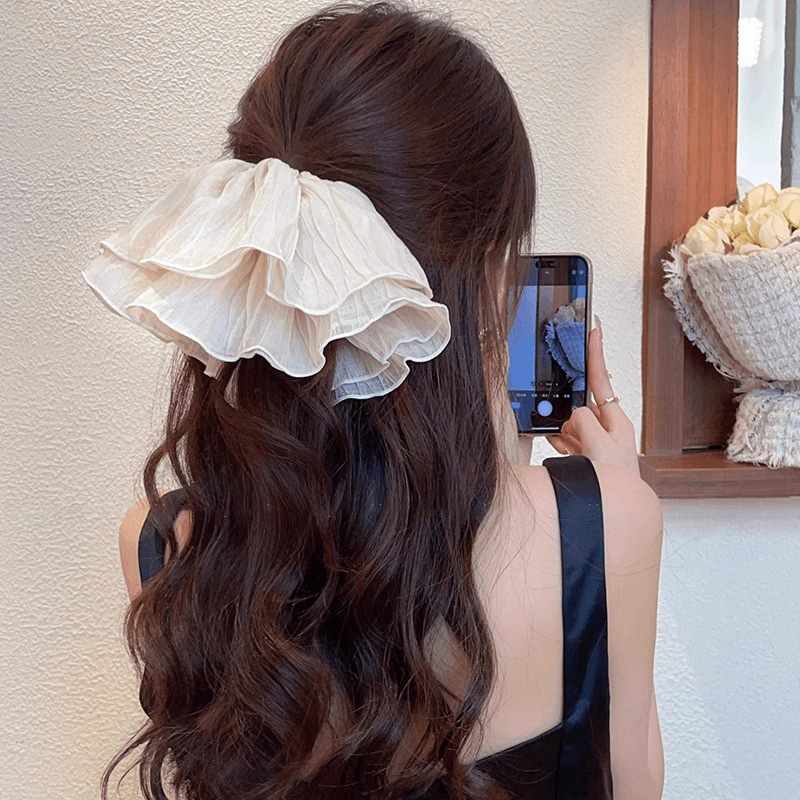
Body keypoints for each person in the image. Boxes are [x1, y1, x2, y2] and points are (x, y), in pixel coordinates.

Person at [85, 3, 664, 798]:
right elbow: (632, 787)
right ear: (484, 272)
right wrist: (604, 493)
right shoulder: (603, 525)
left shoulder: (162, 546)